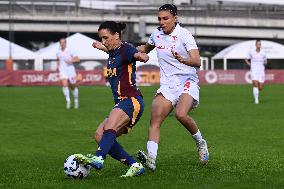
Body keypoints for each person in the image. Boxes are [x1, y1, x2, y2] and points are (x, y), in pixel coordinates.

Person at [135, 4, 209, 171]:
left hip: (186, 81)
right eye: (159, 19)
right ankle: (151, 159)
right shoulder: (156, 34)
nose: (162, 22)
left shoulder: (184, 35)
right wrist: (128, 50)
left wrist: (183, 59)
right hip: (167, 85)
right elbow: (145, 49)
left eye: (165, 18)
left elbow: (197, 61)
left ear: (175, 18)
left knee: (181, 115)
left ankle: (200, 142)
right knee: (155, 119)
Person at [75, 21, 149, 177]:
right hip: (122, 103)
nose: (104, 41)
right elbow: (109, 50)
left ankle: (99, 159)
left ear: (117, 36)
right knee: (99, 136)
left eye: (106, 38)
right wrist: (99, 46)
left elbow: (134, 54)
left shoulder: (126, 49)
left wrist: (141, 56)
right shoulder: (113, 51)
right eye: (101, 38)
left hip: (131, 100)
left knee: (110, 126)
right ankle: (134, 165)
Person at [56, 38, 80, 109]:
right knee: (65, 85)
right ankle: (68, 101)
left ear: (66, 43)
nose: (62, 44)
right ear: (60, 44)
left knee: (73, 86)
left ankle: (76, 100)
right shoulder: (58, 52)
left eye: (64, 42)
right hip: (62, 71)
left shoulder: (70, 50)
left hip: (70, 71)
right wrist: (57, 67)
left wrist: (71, 60)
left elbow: (78, 59)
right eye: (61, 42)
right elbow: (58, 59)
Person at [245, 40, 267, 104]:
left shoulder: (263, 52)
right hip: (254, 70)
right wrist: (249, 64)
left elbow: (265, 60)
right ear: (256, 45)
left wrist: (265, 62)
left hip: (261, 71)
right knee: (255, 84)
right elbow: (246, 59)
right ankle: (256, 100)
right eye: (258, 44)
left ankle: (257, 92)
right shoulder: (251, 51)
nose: (259, 45)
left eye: (260, 44)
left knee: (260, 88)